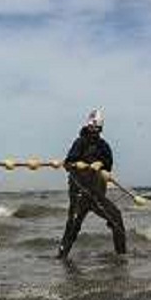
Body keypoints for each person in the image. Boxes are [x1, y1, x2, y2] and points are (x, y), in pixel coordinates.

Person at [57, 109, 126, 259]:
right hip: (79, 194)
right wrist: (77, 164)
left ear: (101, 128)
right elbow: (67, 163)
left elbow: (108, 165)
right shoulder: (79, 143)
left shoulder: (104, 146)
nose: (94, 130)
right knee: (72, 227)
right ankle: (61, 259)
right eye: (92, 127)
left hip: (97, 195)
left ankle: (122, 259)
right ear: (88, 126)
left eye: (97, 128)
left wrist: (100, 163)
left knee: (116, 218)